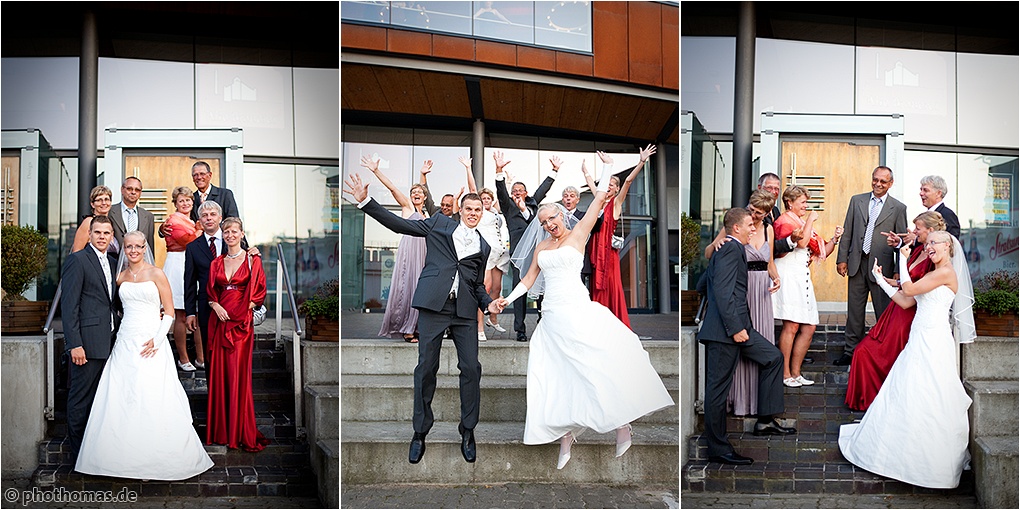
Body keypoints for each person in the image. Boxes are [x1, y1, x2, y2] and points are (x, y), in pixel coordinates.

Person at [496, 162, 674, 470]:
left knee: (593, 366)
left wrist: (606, 169)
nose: (549, 224)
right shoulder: (541, 247)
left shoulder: (579, 233)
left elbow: (601, 197)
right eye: (544, 221)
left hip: (577, 309)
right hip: (550, 317)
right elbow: (527, 281)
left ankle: (621, 424)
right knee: (555, 376)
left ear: (561, 215)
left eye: (552, 217)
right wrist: (505, 300)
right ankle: (565, 434)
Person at [345, 174, 501, 465]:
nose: (473, 214)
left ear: (482, 214)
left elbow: (478, 285)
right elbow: (402, 224)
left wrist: (489, 304)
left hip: (465, 312)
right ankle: (420, 433)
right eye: (469, 209)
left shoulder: (484, 247)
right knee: (426, 368)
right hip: (433, 306)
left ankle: (467, 431)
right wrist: (366, 202)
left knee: (471, 368)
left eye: (478, 211)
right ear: (459, 210)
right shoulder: (439, 224)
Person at [839, 230, 974, 488]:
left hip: (934, 340)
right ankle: (897, 455)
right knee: (906, 389)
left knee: (930, 391)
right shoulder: (932, 274)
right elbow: (904, 301)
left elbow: (909, 287)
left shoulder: (945, 273)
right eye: (929, 243)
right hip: (919, 337)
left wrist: (902, 257)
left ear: (947, 247)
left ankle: (931, 464)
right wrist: (879, 280)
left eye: (934, 243)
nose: (929, 246)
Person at [74, 231, 213, 479]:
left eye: (138, 246)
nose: (134, 250)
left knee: (151, 394)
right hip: (126, 340)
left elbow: (169, 312)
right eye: (129, 247)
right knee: (122, 395)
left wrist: (158, 340)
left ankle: (155, 457)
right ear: (124, 249)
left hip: (152, 342)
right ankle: (119, 457)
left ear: (144, 247)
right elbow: (114, 308)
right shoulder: (120, 277)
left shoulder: (157, 274)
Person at [697, 207, 794, 466]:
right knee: (717, 392)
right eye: (750, 224)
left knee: (773, 358)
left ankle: (765, 421)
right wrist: (734, 328)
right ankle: (718, 449)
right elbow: (724, 291)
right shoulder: (730, 248)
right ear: (736, 228)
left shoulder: (725, 249)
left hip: (739, 328)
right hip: (726, 332)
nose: (754, 228)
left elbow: (702, 284)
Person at [846, 212, 945, 411]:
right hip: (895, 309)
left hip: (907, 314)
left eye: (918, 228)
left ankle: (885, 403)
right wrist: (885, 278)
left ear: (931, 230)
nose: (913, 232)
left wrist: (897, 265)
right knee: (863, 351)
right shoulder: (918, 251)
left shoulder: (933, 261)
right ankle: (871, 401)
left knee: (880, 356)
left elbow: (912, 291)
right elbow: (906, 281)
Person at [703, 190, 782, 415]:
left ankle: (761, 410)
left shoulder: (767, 229)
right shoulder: (736, 227)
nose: (754, 215)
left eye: (759, 213)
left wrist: (776, 278)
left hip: (761, 292)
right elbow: (710, 255)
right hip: (740, 294)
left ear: (767, 213)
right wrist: (717, 246)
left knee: (765, 353)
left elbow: (769, 261)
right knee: (736, 350)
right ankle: (740, 402)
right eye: (752, 209)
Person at [834, 166, 908, 366]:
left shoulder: (898, 208)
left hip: (882, 270)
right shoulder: (857, 200)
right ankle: (851, 352)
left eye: (883, 182)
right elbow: (848, 231)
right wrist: (842, 259)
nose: (878, 184)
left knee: (883, 312)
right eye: (875, 180)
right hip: (857, 263)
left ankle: (883, 351)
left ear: (890, 184)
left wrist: (897, 271)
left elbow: (901, 241)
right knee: (854, 312)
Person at [205, 217, 269, 452]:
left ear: (242, 233)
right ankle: (221, 432)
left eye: (234, 231)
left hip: (241, 327)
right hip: (220, 324)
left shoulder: (253, 260)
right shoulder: (216, 262)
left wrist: (240, 313)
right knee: (220, 376)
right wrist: (215, 306)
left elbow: (258, 294)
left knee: (237, 376)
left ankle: (238, 433)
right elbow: (210, 291)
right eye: (226, 232)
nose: (230, 235)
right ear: (222, 235)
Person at [60, 215, 118, 461]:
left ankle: (96, 453)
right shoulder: (78, 260)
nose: (102, 237)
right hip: (87, 344)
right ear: (90, 234)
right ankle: (77, 456)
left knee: (101, 400)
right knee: (80, 399)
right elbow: (69, 305)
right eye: (98, 233)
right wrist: (75, 344)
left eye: (106, 233)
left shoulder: (115, 263)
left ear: (112, 236)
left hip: (112, 342)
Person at [772, 186, 841, 387]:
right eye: (802, 202)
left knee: (809, 327)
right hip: (788, 272)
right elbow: (800, 244)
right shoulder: (784, 221)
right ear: (790, 203)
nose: (806, 206)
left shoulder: (800, 221)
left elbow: (821, 251)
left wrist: (835, 239)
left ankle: (796, 372)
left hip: (802, 274)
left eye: (806, 202)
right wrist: (810, 220)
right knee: (791, 325)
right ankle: (785, 374)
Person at [362, 156, 431, 343]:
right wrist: (376, 171)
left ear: (425, 197)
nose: (416, 193)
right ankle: (407, 329)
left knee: (420, 290)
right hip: (409, 254)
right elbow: (392, 188)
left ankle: (416, 327)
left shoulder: (429, 214)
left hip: (424, 255)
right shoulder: (407, 207)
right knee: (407, 288)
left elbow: (424, 189)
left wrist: (422, 175)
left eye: (419, 192)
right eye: (413, 191)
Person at [588, 145, 656, 328]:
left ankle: (616, 326)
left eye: (612, 185)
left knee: (611, 288)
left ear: (616, 190)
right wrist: (587, 171)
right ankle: (599, 326)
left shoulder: (616, 204)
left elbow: (628, 182)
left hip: (609, 256)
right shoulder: (599, 202)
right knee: (596, 289)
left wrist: (641, 162)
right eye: (606, 184)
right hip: (595, 254)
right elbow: (593, 185)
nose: (608, 187)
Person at [494, 150, 554, 342]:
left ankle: (542, 323)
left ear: (526, 193)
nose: (517, 193)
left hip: (539, 254)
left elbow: (543, 190)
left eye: (520, 191)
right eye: (515, 191)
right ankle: (520, 330)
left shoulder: (534, 205)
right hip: (519, 258)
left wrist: (554, 171)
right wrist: (499, 171)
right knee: (519, 291)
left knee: (541, 291)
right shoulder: (508, 207)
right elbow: (501, 192)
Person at [459, 155, 510, 340]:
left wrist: (507, 179)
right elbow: (473, 189)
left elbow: (503, 197)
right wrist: (468, 168)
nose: (486, 200)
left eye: (489, 198)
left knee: (497, 289)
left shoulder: (495, 213)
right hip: (487, 256)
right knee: (485, 289)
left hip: (500, 256)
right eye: (484, 198)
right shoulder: (479, 213)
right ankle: (479, 327)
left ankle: (492, 319)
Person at [162, 186, 205, 370]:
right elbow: (188, 241)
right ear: (175, 203)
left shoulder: (192, 221)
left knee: (197, 313)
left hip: (193, 264)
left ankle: (201, 358)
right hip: (177, 264)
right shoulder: (173, 220)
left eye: (188, 200)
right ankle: (183, 358)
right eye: (181, 200)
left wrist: (198, 227)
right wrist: (199, 229)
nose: (185, 203)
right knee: (180, 314)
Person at [108, 176, 155, 253]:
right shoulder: (110, 212)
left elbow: (150, 246)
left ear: (140, 193)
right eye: (129, 189)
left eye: (137, 190)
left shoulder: (148, 216)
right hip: (114, 262)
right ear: (122, 190)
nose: (133, 192)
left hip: (140, 262)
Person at [71, 186, 116, 254]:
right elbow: (76, 252)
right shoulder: (88, 222)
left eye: (106, 199)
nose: (104, 203)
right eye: (99, 200)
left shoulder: (110, 223)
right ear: (92, 204)